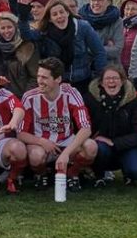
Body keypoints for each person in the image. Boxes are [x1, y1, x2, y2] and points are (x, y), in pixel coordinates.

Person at [18, 58, 96, 191]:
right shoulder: (29, 97)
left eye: (44, 78)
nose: (40, 81)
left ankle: (73, 174)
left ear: (58, 79)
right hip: (41, 143)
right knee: (36, 157)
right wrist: (42, 141)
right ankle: (42, 174)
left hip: (66, 140)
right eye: (38, 76)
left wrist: (66, 153)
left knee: (91, 147)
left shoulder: (71, 93)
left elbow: (86, 128)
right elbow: (20, 134)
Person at [85, 65, 137, 186]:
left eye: (115, 78)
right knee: (98, 148)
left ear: (123, 81)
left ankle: (128, 173)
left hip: (127, 145)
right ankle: (99, 174)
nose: (111, 81)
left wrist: (114, 142)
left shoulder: (134, 100)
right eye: (108, 78)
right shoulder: (90, 99)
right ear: (101, 82)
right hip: (101, 146)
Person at [36, 0, 107, 97]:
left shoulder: (82, 27)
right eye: (55, 14)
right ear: (50, 19)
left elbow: (99, 52)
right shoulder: (45, 32)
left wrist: (100, 79)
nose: (59, 16)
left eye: (62, 12)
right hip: (56, 83)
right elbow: (27, 35)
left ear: (68, 13)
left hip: (82, 81)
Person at [0, 10, 42, 97]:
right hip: (2, 98)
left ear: (16, 27)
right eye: (3, 28)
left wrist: (25, 98)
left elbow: (35, 77)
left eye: (9, 27)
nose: (6, 31)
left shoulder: (27, 46)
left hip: (23, 97)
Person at [79, 0, 124, 67]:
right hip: (85, 69)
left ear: (109, 1)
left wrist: (90, 47)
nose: (96, 2)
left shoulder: (117, 21)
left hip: (110, 69)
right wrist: (104, 47)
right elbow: (78, 48)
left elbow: (116, 50)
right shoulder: (81, 20)